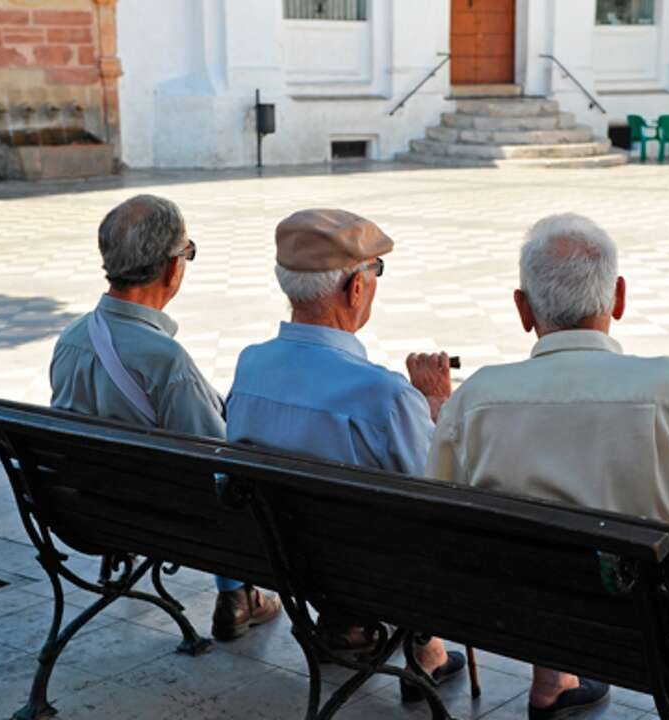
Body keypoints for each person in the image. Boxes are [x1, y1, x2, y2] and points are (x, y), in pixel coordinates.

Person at [427, 213, 669, 720]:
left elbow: (442, 521)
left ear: (523, 309)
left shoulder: (474, 400)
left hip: (535, 616)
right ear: (618, 297)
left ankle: (554, 678)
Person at [226, 208, 466, 701]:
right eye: (375, 273)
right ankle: (427, 652)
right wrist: (436, 405)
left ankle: (362, 632)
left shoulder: (249, 368)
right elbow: (437, 496)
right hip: (368, 576)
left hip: (283, 561)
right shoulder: (386, 396)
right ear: (356, 289)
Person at [50, 194, 281, 642]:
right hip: (161, 520)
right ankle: (237, 593)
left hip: (87, 510)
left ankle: (236, 594)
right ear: (173, 268)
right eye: (187, 252)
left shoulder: (71, 340)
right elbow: (221, 462)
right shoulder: (166, 361)